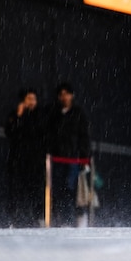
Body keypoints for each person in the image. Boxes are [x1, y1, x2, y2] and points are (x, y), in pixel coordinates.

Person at [47, 82, 91, 227]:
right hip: (58, 157)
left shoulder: (79, 113)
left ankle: (72, 218)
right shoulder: (54, 113)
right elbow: (50, 135)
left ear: (72, 95)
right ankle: (62, 219)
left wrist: (84, 156)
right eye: (62, 94)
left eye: (67, 93)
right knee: (58, 189)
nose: (64, 97)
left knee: (70, 188)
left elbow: (84, 136)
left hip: (73, 158)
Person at [5, 88, 46, 227]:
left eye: (34, 99)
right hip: (18, 159)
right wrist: (19, 115)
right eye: (29, 99)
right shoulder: (16, 114)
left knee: (36, 191)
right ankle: (14, 219)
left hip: (35, 161)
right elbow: (10, 132)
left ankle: (38, 218)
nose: (32, 102)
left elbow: (41, 132)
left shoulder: (40, 115)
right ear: (23, 100)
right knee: (16, 191)